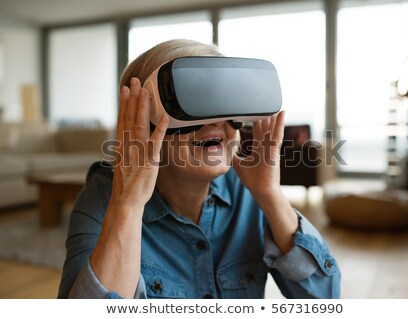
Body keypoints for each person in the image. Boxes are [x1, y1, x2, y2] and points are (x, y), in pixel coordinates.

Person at [58, 39, 340, 299]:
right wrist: (127, 204)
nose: (215, 123)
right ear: (144, 125)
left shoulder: (247, 193)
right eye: (195, 102)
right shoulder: (104, 197)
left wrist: (269, 194)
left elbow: (324, 298)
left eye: (225, 105)